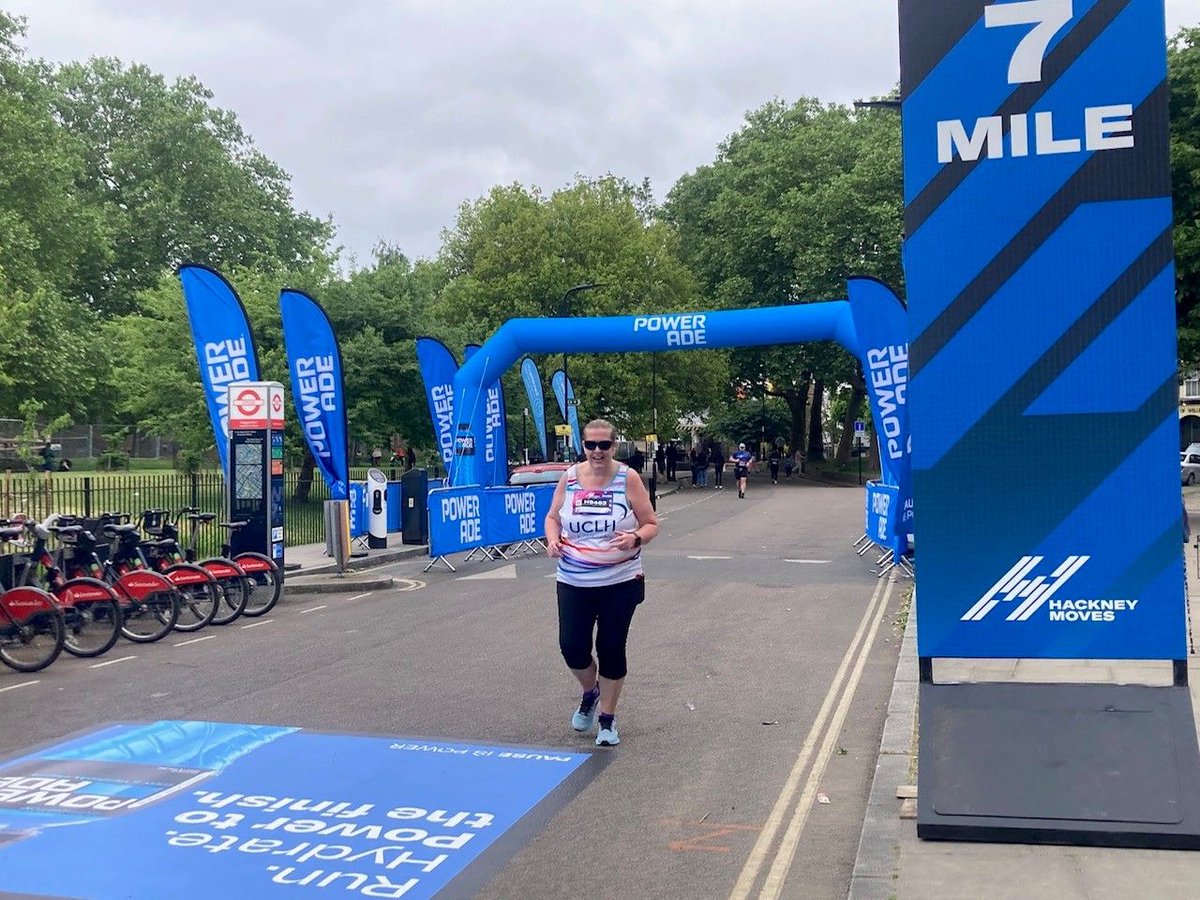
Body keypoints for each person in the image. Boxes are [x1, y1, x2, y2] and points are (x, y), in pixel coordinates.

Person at [545, 419, 659, 747]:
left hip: (619, 581)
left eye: (604, 445)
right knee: (572, 647)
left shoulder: (628, 478)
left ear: (614, 446)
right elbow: (553, 517)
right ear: (582, 446)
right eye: (590, 445)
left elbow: (651, 524)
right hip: (573, 579)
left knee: (611, 648)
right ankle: (590, 691)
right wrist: (552, 540)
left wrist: (636, 537)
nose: (597, 452)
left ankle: (607, 720)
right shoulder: (569, 477)